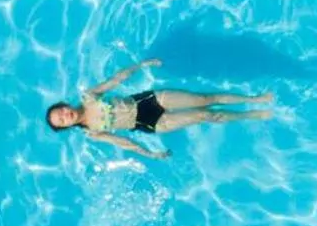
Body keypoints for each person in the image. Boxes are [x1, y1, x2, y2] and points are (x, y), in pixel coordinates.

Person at [44, 58, 271, 160]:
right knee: (206, 115)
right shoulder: (92, 132)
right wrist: (148, 153)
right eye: (62, 121)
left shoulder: (90, 96)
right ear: (68, 126)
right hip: (149, 123)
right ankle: (249, 114)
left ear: (64, 105)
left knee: (205, 98)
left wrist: (141, 65)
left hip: (150, 101)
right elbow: (122, 142)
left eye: (61, 112)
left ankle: (256, 98)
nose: (65, 116)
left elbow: (115, 81)